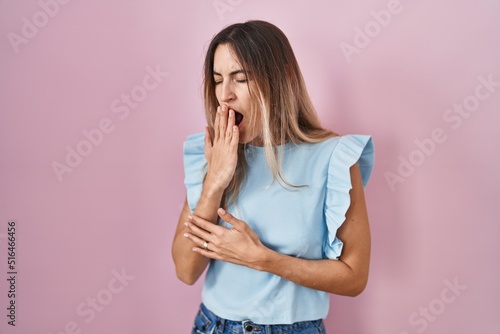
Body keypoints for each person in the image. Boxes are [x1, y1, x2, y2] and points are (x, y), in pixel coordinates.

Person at [172, 20, 375, 334]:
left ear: (281, 79)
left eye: (240, 79)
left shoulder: (333, 158)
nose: (224, 95)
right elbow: (186, 270)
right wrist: (215, 181)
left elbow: (353, 277)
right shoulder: (212, 152)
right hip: (214, 326)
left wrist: (262, 259)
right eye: (217, 80)